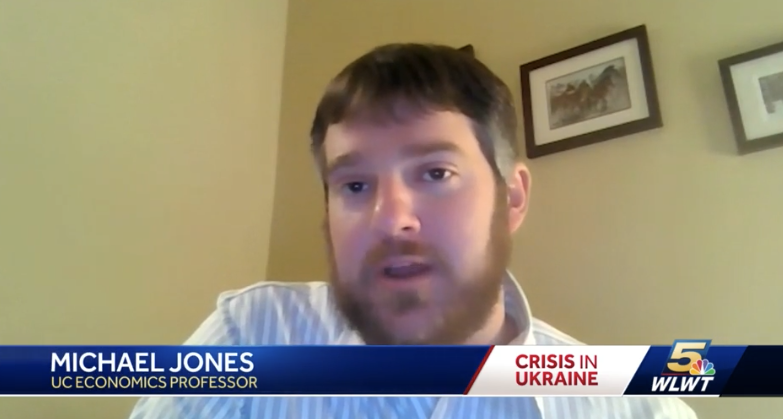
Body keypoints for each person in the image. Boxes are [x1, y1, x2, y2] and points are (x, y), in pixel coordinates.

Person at [129, 43, 697, 419]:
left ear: (513, 197)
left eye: (436, 173)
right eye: (354, 186)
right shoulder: (248, 337)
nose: (391, 217)